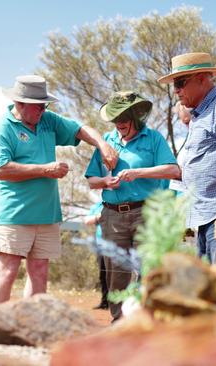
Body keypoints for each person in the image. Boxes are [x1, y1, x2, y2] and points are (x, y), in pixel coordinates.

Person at [0, 75, 119, 307]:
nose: (43, 109)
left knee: (39, 271)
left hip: (47, 214)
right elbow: (0, 170)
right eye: (39, 105)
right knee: (8, 270)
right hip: (13, 214)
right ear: (20, 104)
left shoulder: (47, 120)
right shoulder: (2, 128)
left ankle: (32, 328)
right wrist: (45, 169)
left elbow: (80, 129)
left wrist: (102, 144)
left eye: (45, 105)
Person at [85, 90, 181, 321]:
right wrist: (105, 182)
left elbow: (173, 170)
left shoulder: (154, 139)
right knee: (116, 273)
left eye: (124, 118)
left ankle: (146, 321)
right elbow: (91, 180)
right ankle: (119, 322)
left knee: (149, 269)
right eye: (115, 119)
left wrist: (137, 173)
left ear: (136, 117)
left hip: (146, 213)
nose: (119, 123)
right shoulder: (106, 141)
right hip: (112, 215)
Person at [158, 52, 216, 264]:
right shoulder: (199, 117)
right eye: (174, 85)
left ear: (201, 79)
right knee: (208, 289)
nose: (176, 91)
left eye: (181, 83)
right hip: (205, 216)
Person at [83, 202, 108, 310]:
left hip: (117, 244)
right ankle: (105, 302)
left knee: (117, 274)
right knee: (103, 274)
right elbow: (87, 220)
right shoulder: (97, 205)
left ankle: (117, 302)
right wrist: (98, 217)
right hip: (101, 244)